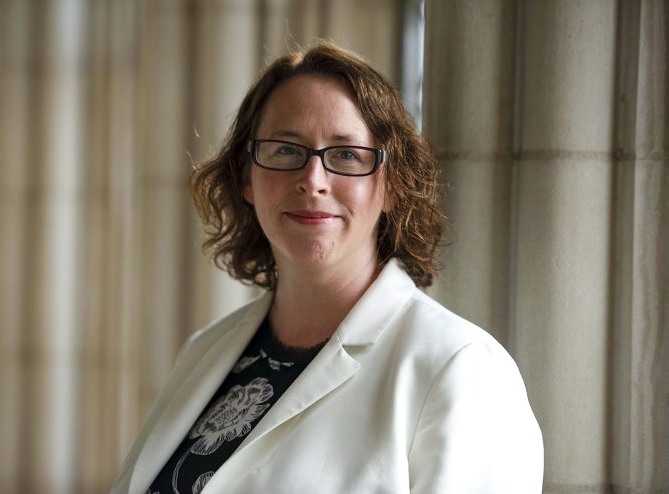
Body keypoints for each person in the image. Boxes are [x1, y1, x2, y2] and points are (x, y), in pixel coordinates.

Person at [112, 41, 543, 494]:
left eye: (347, 155)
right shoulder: (205, 351)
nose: (312, 181)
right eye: (285, 150)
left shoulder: (460, 368)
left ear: (392, 185)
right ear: (246, 177)